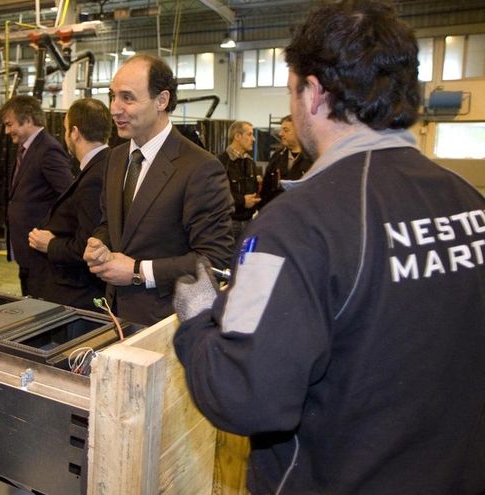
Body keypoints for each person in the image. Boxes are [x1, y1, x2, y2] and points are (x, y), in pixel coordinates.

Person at [172, 1, 485, 493]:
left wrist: (195, 324)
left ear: (314, 93)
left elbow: (244, 395)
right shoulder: (469, 203)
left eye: (292, 90)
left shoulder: (290, 230)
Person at [82, 54, 233, 325]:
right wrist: (99, 243)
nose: (115, 109)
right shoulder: (115, 159)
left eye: (127, 98)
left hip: (167, 326)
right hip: (115, 316)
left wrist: (139, 271)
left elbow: (214, 262)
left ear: (161, 101)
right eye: (112, 96)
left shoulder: (199, 168)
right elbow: (111, 224)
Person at [28, 98, 109, 311]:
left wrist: (50, 245)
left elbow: (89, 245)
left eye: (65, 130)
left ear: (74, 132)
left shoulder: (95, 177)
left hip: (78, 293)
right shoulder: (104, 165)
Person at [0, 95, 73, 297]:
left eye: (9, 124)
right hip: (28, 253)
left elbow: (69, 194)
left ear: (28, 119)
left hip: (40, 255)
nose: (7, 131)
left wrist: (52, 234)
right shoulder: (26, 150)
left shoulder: (47, 149)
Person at [218, 120, 261, 246]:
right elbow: (218, 194)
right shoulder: (221, 162)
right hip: (229, 223)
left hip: (248, 222)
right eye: (249, 134)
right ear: (237, 136)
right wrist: (242, 201)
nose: (253, 139)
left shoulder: (250, 162)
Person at [259, 115, 313, 208]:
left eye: (286, 130)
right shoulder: (277, 157)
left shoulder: (313, 158)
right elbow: (266, 189)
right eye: (281, 130)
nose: (280, 134)